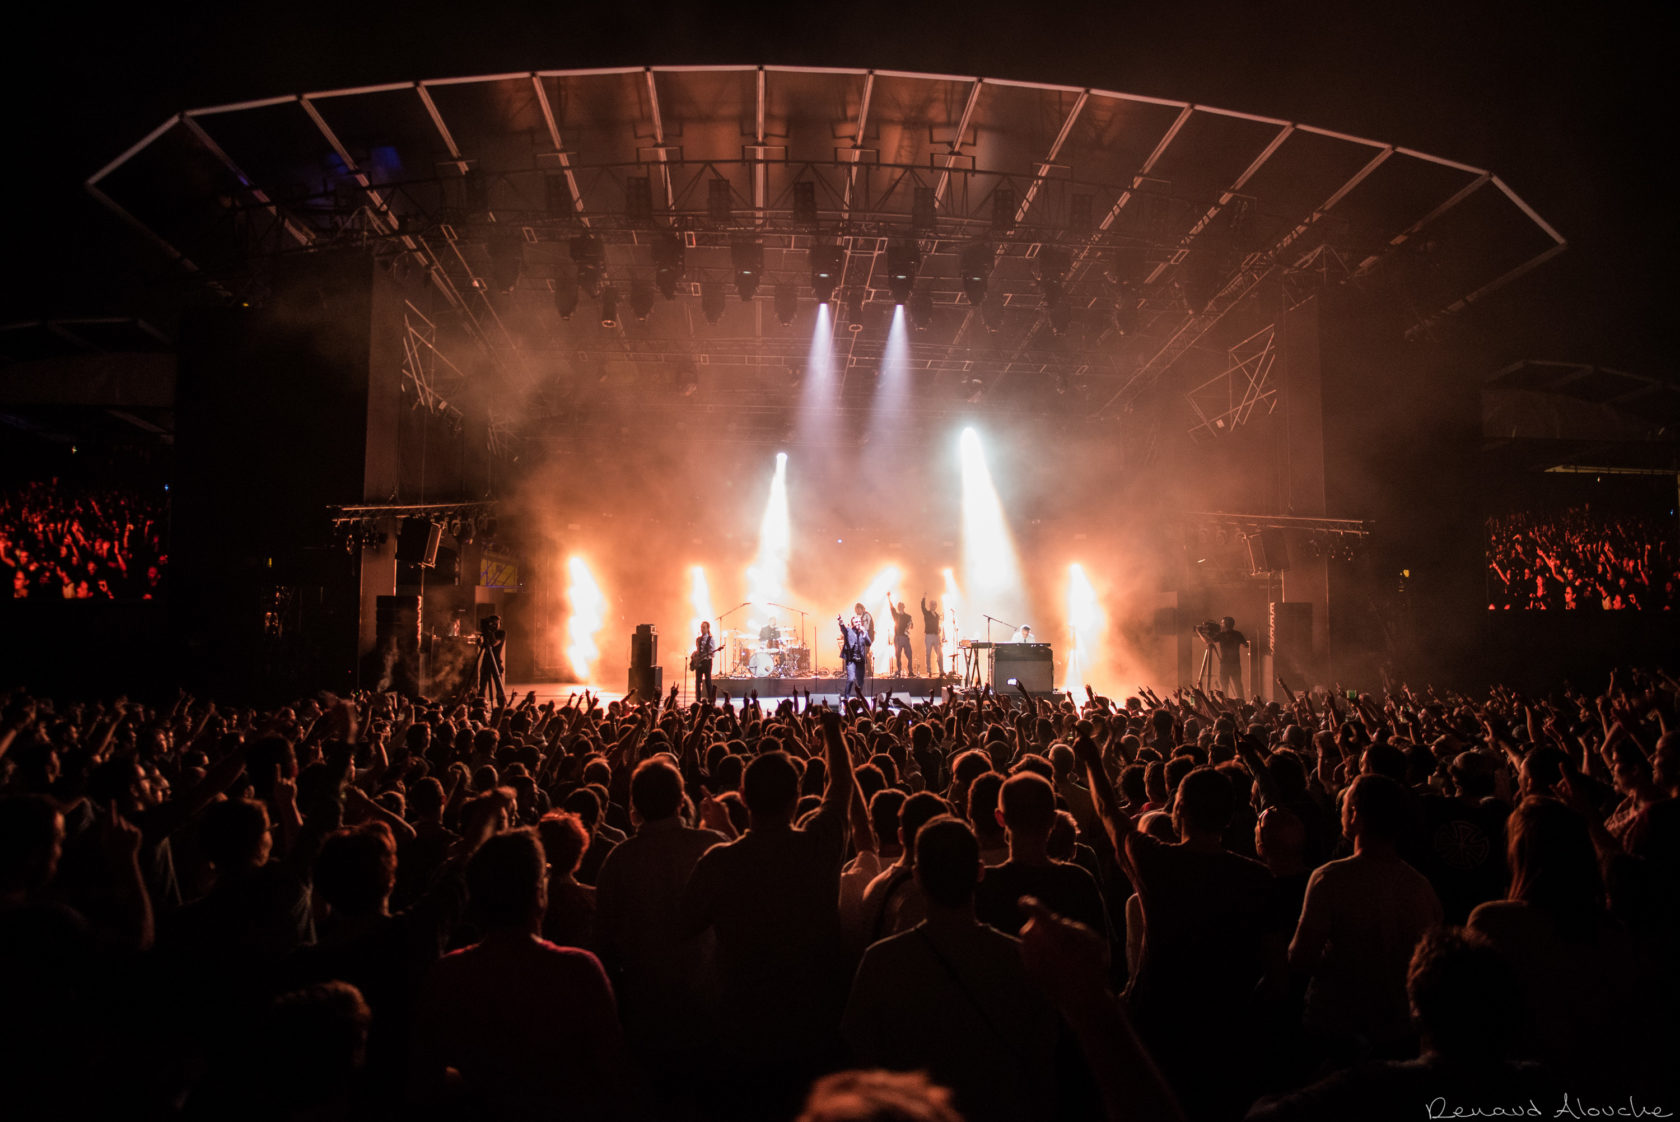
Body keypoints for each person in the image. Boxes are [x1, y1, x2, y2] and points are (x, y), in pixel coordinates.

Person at [841, 815, 1061, 1122]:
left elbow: (860, 1055)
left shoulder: (882, 963)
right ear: (980, 872)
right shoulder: (1020, 959)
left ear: (917, 876)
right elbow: (1043, 1060)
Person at [1208, 616, 1247, 697]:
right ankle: (1242, 703)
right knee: (1238, 685)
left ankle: (1226, 703)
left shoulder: (1221, 635)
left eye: (1222, 623)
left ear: (1225, 625)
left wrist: (1199, 632)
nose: (1220, 624)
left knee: (1224, 686)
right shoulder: (1238, 634)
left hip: (1225, 664)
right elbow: (1245, 645)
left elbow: (1208, 641)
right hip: (1236, 663)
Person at [838, 614, 872, 701]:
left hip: (860, 660)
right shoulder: (849, 631)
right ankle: (846, 699)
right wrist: (841, 623)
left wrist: (864, 633)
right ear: (852, 623)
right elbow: (843, 629)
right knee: (851, 679)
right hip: (851, 660)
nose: (858, 623)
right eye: (856, 622)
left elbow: (869, 643)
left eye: (859, 622)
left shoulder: (863, 632)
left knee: (860, 682)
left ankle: (858, 699)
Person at [477, 614, 507, 706]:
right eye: (492, 623)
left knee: (498, 685)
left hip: (496, 661)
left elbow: (494, 643)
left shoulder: (501, 633)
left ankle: (501, 705)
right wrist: (480, 644)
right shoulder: (488, 633)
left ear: (499, 624)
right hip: (487, 660)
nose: (494, 625)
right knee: (482, 684)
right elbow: (486, 647)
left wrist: (489, 633)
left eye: (496, 623)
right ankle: (480, 704)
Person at [888, 597, 914, 677]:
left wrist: (911, 625)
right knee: (898, 655)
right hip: (898, 637)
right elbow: (892, 607)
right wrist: (889, 598)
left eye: (901, 606)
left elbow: (911, 626)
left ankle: (910, 671)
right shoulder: (895, 615)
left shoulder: (908, 616)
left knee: (909, 654)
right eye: (899, 607)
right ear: (898, 607)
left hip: (905, 637)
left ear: (904, 607)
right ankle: (899, 670)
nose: (900, 608)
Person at [691, 621, 717, 701]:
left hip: (707, 662)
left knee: (708, 681)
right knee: (697, 681)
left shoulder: (710, 639)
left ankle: (710, 700)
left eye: (704, 627)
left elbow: (713, 653)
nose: (702, 629)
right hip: (699, 662)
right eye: (701, 627)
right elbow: (698, 650)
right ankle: (697, 699)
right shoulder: (698, 639)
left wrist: (707, 653)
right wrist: (695, 655)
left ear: (708, 628)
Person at [920, 596, 944, 679]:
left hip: (936, 636)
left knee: (939, 653)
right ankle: (929, 670)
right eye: (932, 604)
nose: (933, 605)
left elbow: (937, 625)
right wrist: (923, 598)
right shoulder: (927, 613)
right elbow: (922, 607)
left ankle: (941, 671)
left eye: (934, 604)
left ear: (936, 606)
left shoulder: (937, 615)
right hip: (929, 635)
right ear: (930, 606)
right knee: (928, 653)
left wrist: (939, 630)